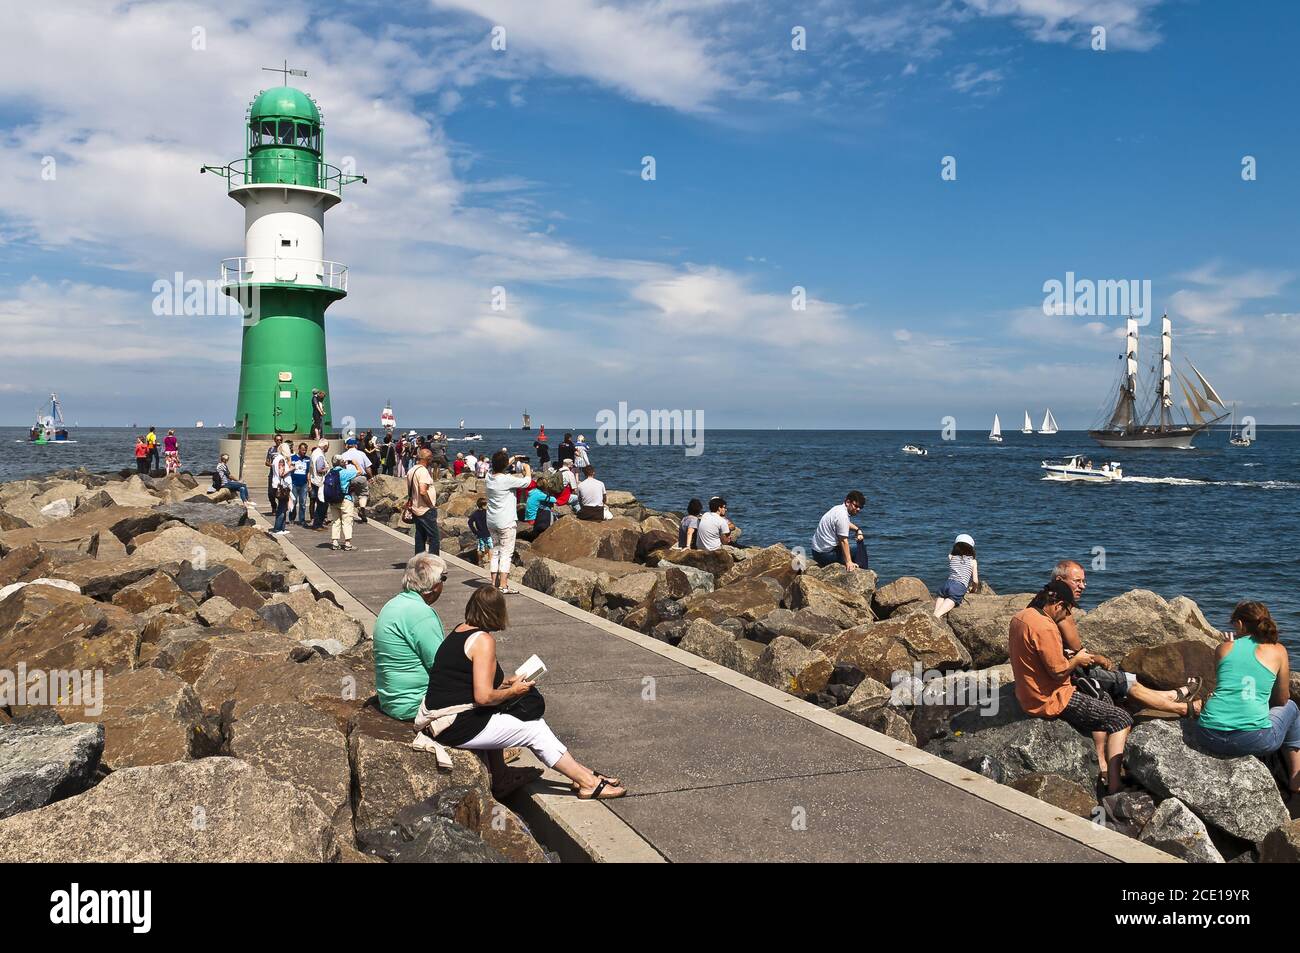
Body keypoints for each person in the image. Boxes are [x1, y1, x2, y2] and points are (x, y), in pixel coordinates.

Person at [417, 585, 626, 800]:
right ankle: (588, 783)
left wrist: (508, 683)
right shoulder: (483, 641)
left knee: (504, 718)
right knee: (534, 729)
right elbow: (483, 697)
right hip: (453, 725)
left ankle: (577, 773)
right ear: (497, 612)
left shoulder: (460, 631)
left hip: (443, 720)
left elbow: (466, 683)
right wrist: (515, 691)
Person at [1009, 580, 1133, 794]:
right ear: (1058, 605)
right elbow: (1057, 672)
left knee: (1102, 698)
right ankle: (1115, 784)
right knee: (1122, 719)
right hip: (1050, 698)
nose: (1065, 617)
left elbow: (1039, 656)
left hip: (1027, 692)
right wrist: (1077, 660)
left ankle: (1101, 763)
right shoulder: (1046, 626)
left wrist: (1067, 656)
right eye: (1067, 611)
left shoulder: (1022, 617)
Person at [1050, 559, 1200, 732]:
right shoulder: (1060, 609)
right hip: (1067, 674)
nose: (1083, 586)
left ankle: (1172, 695)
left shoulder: (1043, 603)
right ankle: (1183, 708)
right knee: (1126, 680)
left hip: (1060, 668)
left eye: (1084, 581)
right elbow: (1078, 650)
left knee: (1126, 680)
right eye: (1077, 581)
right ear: (1059, 581)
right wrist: (1098, 657)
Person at [1187, 602, 1299, 795]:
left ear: (1239, 624)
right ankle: (1295, 776)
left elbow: (1229, 686)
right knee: (1292, 707)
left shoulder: (1223, 649)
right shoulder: (1278, 650)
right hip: (1252, 740)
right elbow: (1281, 699)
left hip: (1208, 735)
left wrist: (1230, 644)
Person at [374, 553, 449, 720]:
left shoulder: (393, 604)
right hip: (414, 703)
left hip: (391, 700)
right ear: (435, 585)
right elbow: (440, 665)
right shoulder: (421, 614)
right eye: (443, 578)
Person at [485, 450, 531, 593]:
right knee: (506, 553)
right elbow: (527, 482)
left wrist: (515, 457)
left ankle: (493, 583)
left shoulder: (488, 477)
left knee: (496, 551)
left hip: (491, 520)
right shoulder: (506, 479)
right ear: (505, 465)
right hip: (506, 521)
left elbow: (499, 466)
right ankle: (503, 585)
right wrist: (527, 469)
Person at [810, 491, 868, 569]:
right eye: (856, 506)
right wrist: (848, 562)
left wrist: (857, 530)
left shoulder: (838, 509)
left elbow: (846, 523)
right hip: (823, 555)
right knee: (859, 548)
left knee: (853, 546)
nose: (858, 509)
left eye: (860, 507)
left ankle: (857, 565)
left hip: (816, 551)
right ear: (848, 502)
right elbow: (843, 541)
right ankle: (862, 569)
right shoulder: (842, 516)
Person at [934, 533, 978, 618]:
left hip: (947, 584)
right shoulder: (973, 562)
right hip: (959, 586)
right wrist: (973, 590)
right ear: (971, 548)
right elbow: (975, 581)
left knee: (941, 596)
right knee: (947, 605)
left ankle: (934, 615)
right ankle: (936, 616)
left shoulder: (951, 557)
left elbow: (953, 555)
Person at [407, 447, 440, 556]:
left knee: (420, 536)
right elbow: (422, 490)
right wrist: (431, 505)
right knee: (434, 537)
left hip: (416, 508)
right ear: (428, 459)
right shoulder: (423, 471)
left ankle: (419, 561)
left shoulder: (412, 470)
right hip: (425, 509)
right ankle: (434, 563)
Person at [328, 457, 359, 551]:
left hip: (333, 499)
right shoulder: (345, 472)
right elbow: (360, 471)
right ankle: (347, 543)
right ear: (341, 463)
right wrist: (355, 463)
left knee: (335, 521)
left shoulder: (330, 472)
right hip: (345, 499)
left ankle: (335, 542)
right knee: (347, 521)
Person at [340, 437, 373, 523]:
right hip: (360, 477)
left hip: (348, 477)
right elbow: (368, 467)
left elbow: (341, 468)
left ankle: (348, 513)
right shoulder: (361, 454)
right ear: (356, 445)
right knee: (363, 494)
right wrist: (371, 477)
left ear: (347, 446)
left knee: (349, 495)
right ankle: (362, 509)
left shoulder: (343, 455)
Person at [270, 440, 293, 534]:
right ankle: (278, 528)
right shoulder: (281, 460)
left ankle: (282, 528)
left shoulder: (276, 458)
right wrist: (291, 469)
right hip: (282, 486)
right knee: (282, 507)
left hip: (276, 485)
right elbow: (281, 473)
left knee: (282, 507)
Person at [309, 438, 330, 529]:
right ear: (325, 446)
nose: (328, 448)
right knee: (322, 504)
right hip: (319, 482)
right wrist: (328, 468)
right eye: (328, 447)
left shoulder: (314, 453)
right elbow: (319, 469)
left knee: (320, 503)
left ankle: (318, 523)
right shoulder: (320, 455)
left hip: (315, 481)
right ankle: (317, 524)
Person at [468, 498, 491, 567]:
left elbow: (470, 522)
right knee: (490, 546)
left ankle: (479, 560)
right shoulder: (487, 513)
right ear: (483, 505)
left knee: (480, 547)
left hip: (479, 533)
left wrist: (474, 531)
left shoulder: (475, 513)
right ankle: (490, 559)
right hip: (487, 532)